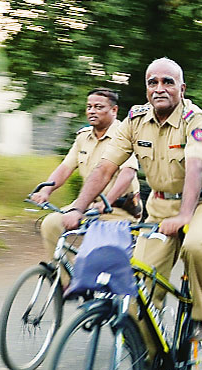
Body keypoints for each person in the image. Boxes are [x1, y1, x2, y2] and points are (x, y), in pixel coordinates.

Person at [62, 57, 202, 348]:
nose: (160, 88)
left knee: (196, 245)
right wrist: (78, 207)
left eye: (168, 82)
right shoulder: (136, 122)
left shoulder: (196, 121)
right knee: (139, 291)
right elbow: (104, 168)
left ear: (182, 88)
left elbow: (194, 167)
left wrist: (184, 216)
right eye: (153, 82)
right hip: (159, 207)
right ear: (146, 88)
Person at [31, 88, 141, 283]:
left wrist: (105, 204)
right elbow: (65, 168)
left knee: (97, 258)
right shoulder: (83, 137)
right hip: (86, 206)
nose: (92, 111)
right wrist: (46, 190)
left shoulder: (124, 136)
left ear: (114, 110)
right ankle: (64, 283)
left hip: (118, 208)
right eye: (89, 107)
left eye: (99, 107)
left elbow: (127, 174)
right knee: (50, 223)